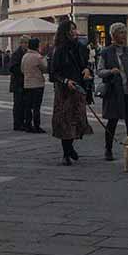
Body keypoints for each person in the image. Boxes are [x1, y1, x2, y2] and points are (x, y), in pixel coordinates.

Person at [96, 22, 128, 162]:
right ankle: (108, 149)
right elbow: (99, 71)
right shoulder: (106, 52)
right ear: (114, 35)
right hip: (114, 93)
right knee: (112, 122)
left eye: (124, 32)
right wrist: (110, 71)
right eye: (121, 32)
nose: (124, 35)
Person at [51, 19, 92, 165]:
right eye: (72, 29)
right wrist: (66, 81)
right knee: (65, 122)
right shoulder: (59, 49)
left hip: (78, 89)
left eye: (75, 29)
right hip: (64, 91)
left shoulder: (80, 47)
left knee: (77, 121)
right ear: (66, 32)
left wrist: (87, 69)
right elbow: (53, 73)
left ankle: (70, 148)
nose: (75, 31)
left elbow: (85, 64)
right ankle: (66, 153)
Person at [21, 38, 48, 133]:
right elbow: (45, 68)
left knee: (28, 106)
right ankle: (37, 126)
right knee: (36, 107)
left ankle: (28, 125)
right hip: (37, 84)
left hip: (27, 84)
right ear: (37, 46)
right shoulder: (38, 57)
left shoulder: (25, 56)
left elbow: (22, 70)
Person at [8, 41, 28, 131]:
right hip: (17, 83)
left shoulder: (25, 53)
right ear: (21, 43)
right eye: (26, 43)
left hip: (23, 82)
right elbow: (13, 68)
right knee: (18, 104)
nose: (27, 45)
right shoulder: (16, 54)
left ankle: (22, 122)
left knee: (23, 104)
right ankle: (17, 123)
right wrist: (23, 71)